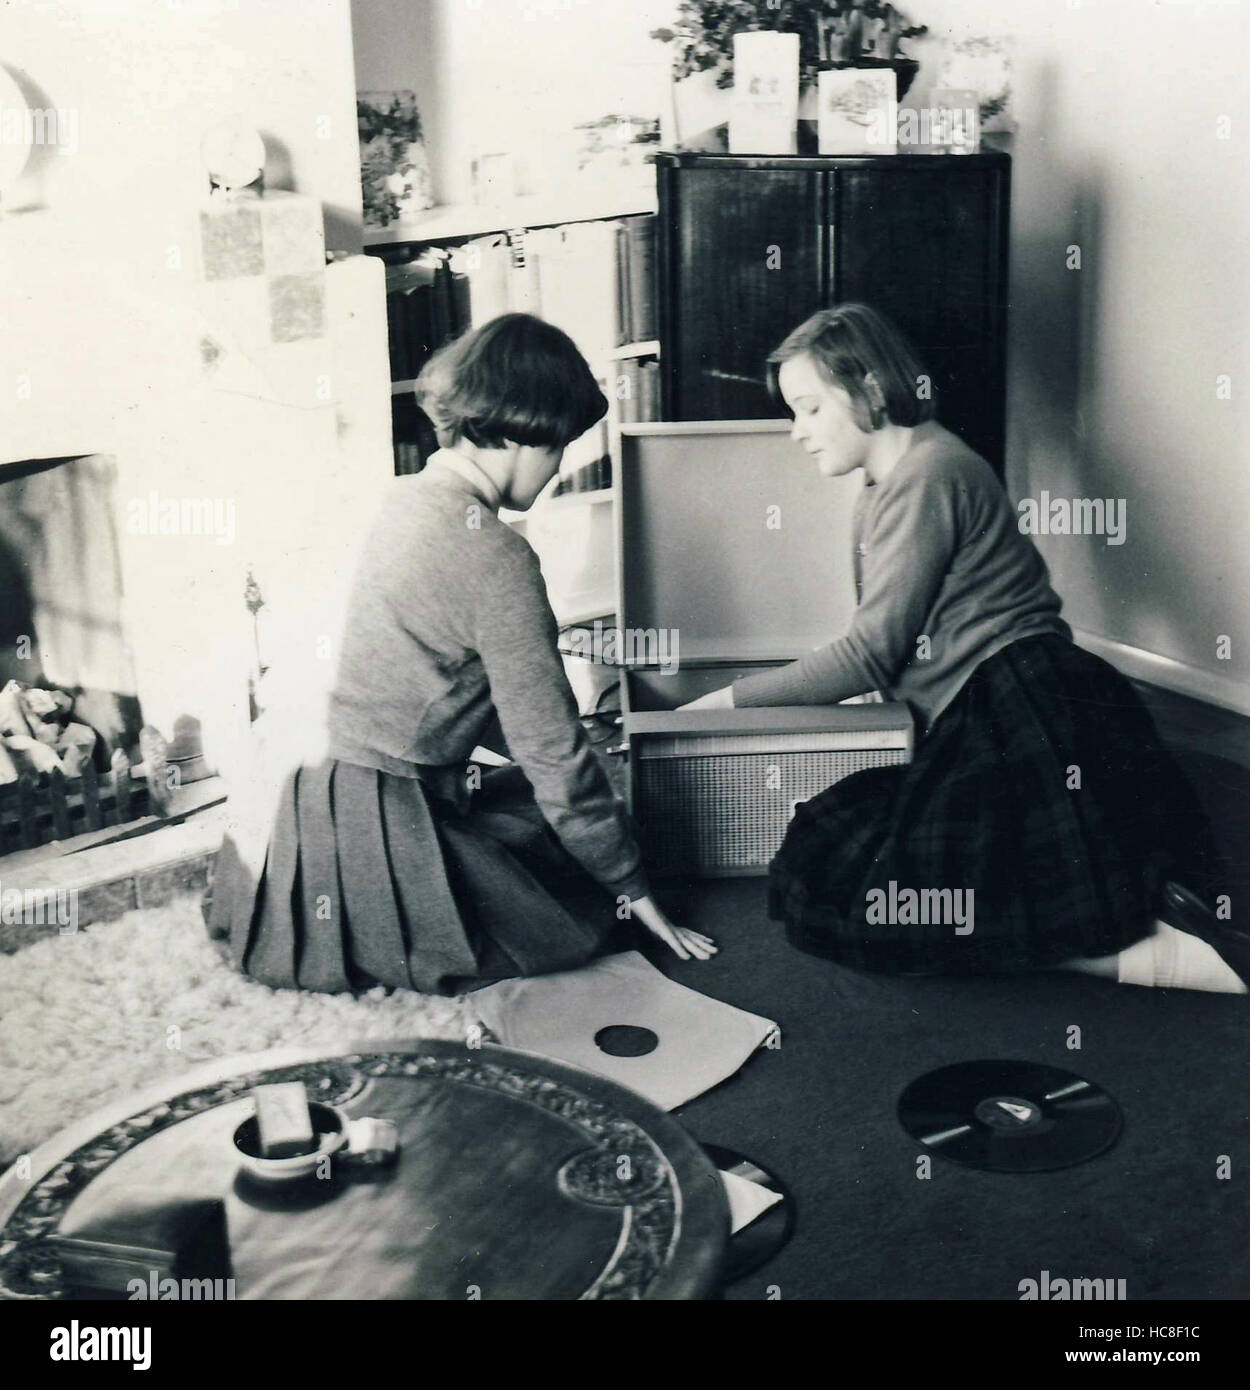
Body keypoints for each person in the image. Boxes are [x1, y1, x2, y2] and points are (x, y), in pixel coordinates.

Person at [681, 303, 1244, 993]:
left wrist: (724, 702)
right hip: (1014, 704)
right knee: (838, 849)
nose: (796, 433)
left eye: (808, 409)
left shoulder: (928, 474)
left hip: (1023, 706)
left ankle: (1169, 956)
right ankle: (1145, 920)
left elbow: (868, 654)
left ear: (870, 392)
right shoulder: (897, 478)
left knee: (877, 902)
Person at [207, 313, 714, 993]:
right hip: (375, 813)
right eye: (558, 445)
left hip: (299, 799)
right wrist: (634, 889)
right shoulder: (498, 556)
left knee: (545, 817)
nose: (560, 466)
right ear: (519, 431)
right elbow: (551, 752)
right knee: (568, 913)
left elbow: (456, 689)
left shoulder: (401, 499)